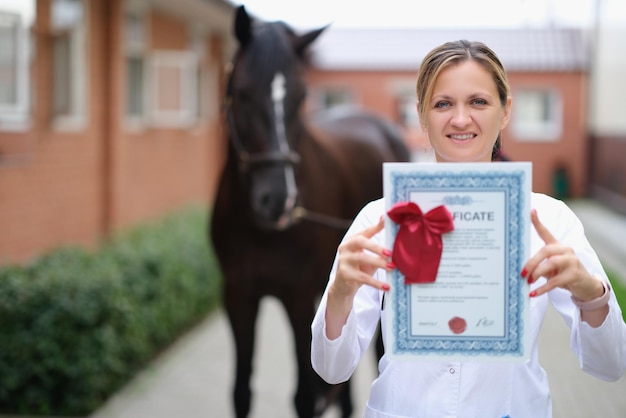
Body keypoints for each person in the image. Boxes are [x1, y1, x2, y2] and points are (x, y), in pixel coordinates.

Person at [310, 40, 626, 418]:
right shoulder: (379, 221)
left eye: (478, 101)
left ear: (506, 111)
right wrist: (340, 295)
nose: (460, 119)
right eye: (443, 104)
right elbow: (331, 369)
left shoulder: (550, 221)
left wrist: (590, 293)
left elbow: (611, 366)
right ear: (422, 116)